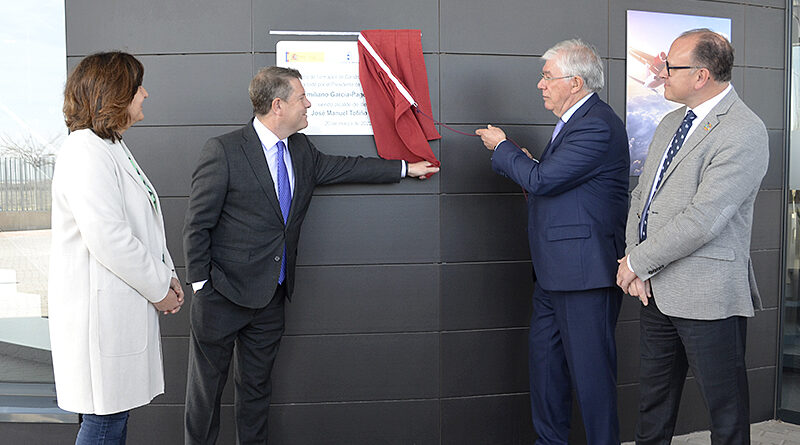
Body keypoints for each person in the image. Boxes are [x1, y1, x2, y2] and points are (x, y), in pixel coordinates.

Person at [182, 66, 439, 444]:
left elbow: (345, 167)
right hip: (221, 297)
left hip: (271, 298)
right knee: (205, 398)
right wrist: (203, 286)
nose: (309, 104)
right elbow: (196, 224)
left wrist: (404, 168)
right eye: (302, 98)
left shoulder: (301, 150)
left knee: (255, 393)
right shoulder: (224, 151)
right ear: (278, 105)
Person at [616, 29, 768, 444]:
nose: (661, 72)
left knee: (726, 412)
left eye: (671, 67)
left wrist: (636, 262)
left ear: (701, 76)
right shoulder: (669, 123)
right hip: (656, 290)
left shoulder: (743, 130)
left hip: (709, 295)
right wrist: (636, 259)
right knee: (652, 406)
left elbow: (704, 219)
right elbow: (641, 198)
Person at [476, 39, 629, 445]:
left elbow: (543, 180)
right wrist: (525, 163)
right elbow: (557, 182)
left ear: (575, 82)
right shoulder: (578, 122)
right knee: (546, 373)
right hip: (553, 273)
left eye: (548, 77)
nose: (541, 84)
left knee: (593, 380)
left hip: (584, 276)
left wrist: (504, 148)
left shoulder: (597, 123)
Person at [48, 51, 184, 444]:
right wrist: (160, 289)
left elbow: (145, 223)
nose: (145, 93)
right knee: (105, 422)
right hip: (100, 319)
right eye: (137, 86)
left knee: (112, 419)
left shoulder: (110, 146)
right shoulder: (85, 151)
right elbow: (110, 237)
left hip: (117, 310)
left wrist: (168, 277)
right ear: (114, 94)